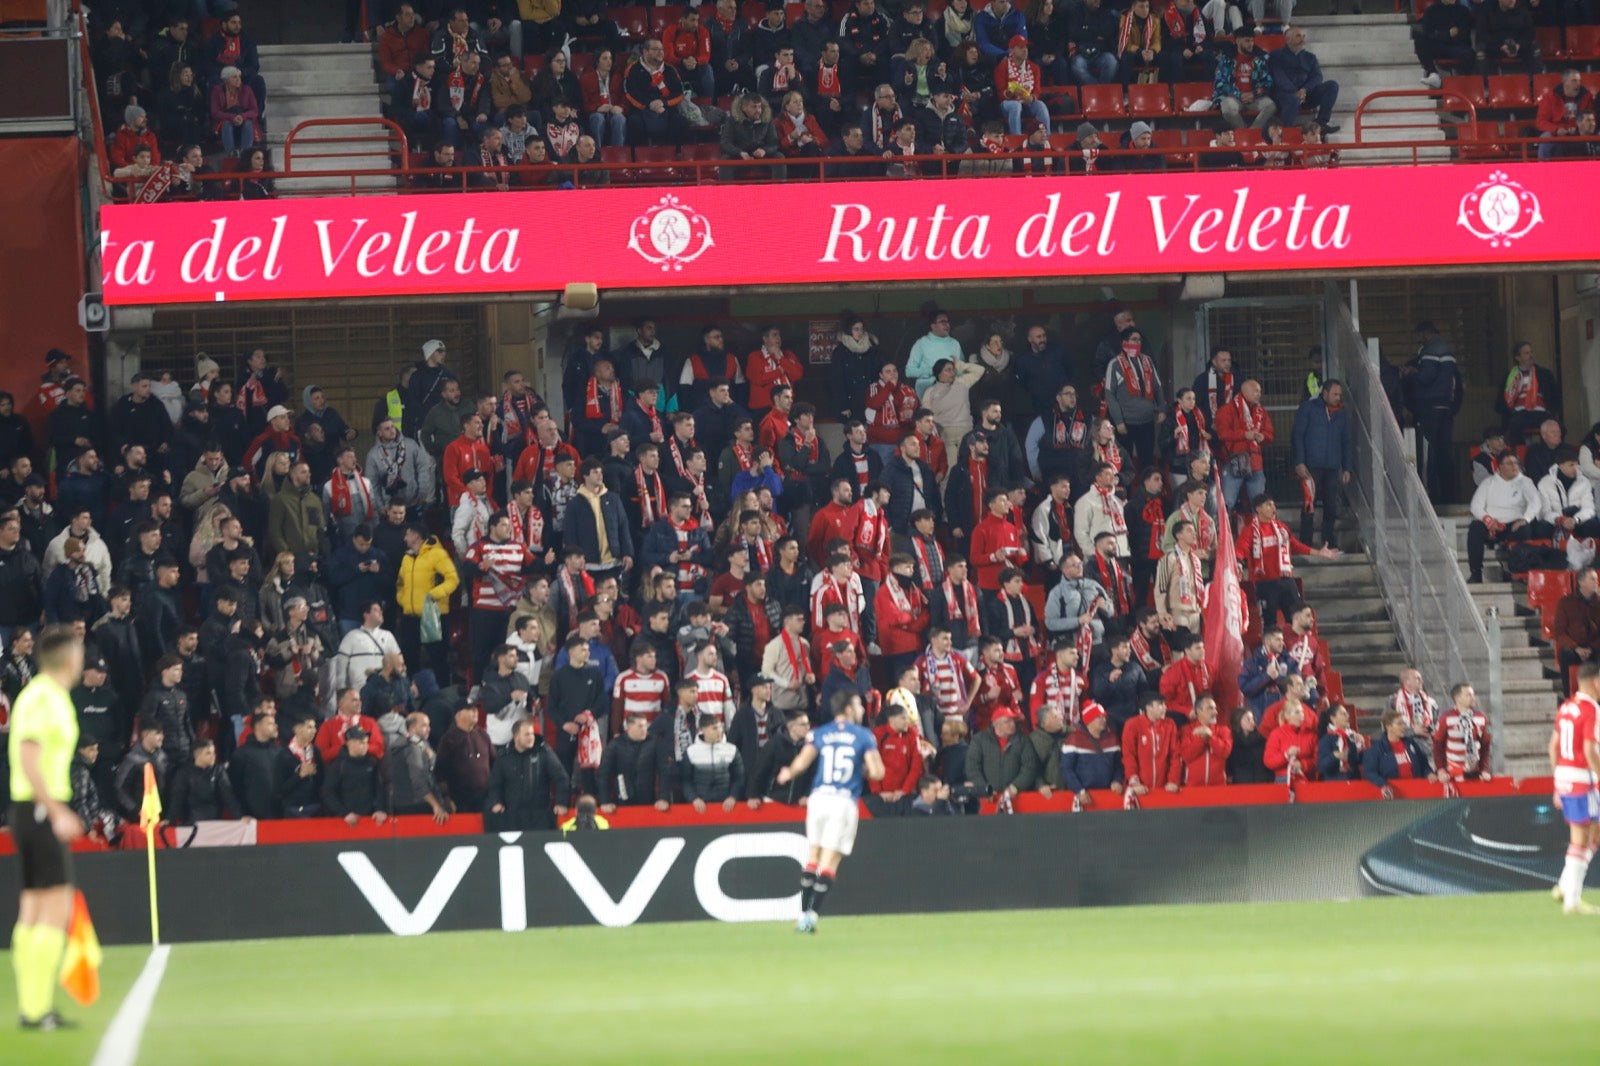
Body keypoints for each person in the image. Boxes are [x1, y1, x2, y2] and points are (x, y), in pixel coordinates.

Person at [7, 626, 86, 1030]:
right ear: (70, 658)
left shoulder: (48, 696)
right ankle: (36, 1009)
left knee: (35, 906)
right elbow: (28, 754)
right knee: (54, 905)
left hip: (30, 810)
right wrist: (55, 809)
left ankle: (33, 1006)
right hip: (39, 810)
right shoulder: (43, 697)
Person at [776, 690, 884, 933]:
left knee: (813, 856)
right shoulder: (863, 735)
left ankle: (802, 913)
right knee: (829, 861)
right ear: (847, 709)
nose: (862, 709)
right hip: (843, 801)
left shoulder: (820, 733)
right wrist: (864, 771)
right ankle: (810, 917)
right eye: (858, 705)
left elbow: (802, 763)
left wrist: (787, 774)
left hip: (818, 798)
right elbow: (878, 773)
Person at [1550, 662, 1600, 913]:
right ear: (1596, 682)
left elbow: (1553, 746)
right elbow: (1590, 749)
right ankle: (1572, 900)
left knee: (1594, 833)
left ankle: (1564, 885)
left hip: (1566, 777)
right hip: (1583, 779)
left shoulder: (1566, 707)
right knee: (1582, 839)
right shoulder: (1590, 709)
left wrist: (1557, 782)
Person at [1404, 322, 1464, 504]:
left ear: (1425, 334)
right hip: (1446, 410)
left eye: (1418, 336)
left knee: (1426, 454)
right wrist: (1453, 408)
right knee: (1444, 452)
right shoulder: (1448, 353)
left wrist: (1412, 373)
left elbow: (1426, 377)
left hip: (1429, 410)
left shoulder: (1431, 349)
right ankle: (1448, 496)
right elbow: (1457, 386)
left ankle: (1427, 497)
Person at [1291, 379, 1353, 550]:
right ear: (1324, 393)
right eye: (1334, 394)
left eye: (1339, 394)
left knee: (1331, 506)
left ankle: (1328, 542)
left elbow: (1346, 441)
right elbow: (1297, 436)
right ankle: (1306, 543)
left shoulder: (1341, 413)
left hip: (1333, 467)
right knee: (1309, 505)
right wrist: (1299, 462)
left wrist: (1346, 467)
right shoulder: (1308, 409)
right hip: (1311, 467)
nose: (1337, 397)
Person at [1464, 451, 1539, 584]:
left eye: (1516, 463)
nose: (1514, 466)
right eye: (1510, 463)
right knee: (1475, 528)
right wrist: (1488, 520)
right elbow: (1475, 505)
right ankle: (1476, 573)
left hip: (1513, 524)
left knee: (1525, 529)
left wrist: (1525, 518)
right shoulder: (1488, 482)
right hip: (1491, 524)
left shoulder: (1525, 482)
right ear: (1500, 467)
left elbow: (1536, 502)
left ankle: (1518, 573)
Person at [1267, 27, 1338, 134]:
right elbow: (1279, 78)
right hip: (1284, 95)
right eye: (1298, 36)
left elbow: (1317, 77)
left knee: (1332, 85)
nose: (1302, 39)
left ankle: (1321, 124)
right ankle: (1285, 133)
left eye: (1303, 36)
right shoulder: (1276, 55)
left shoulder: (1310, 57)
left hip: (1306, 95)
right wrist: (1295, 92)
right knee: (1292, 99)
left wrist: (1304, 90)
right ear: (1288, 40)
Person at [1362, 707, 1447, 795]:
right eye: (1399, 724)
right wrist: (1383, 784)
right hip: (1393, 793)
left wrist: (1429, 773)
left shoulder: (1411, 743)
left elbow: (1423, 763)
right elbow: (1369, 772)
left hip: (1416, 789)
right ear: (1389, 727)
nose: (1404, 727)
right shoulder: (1376, 749)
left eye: (1403, 723)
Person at [1496, 341, 1561, 440]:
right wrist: (1510, 411)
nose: (1531, 355)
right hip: (1520, 413)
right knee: (1513, 426)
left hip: (1541, 412)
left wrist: (1550, 410)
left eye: (1531, 352)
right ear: (1517, 358)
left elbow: (1555, 397)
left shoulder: (1545, 374)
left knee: (1558, 428)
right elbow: (1501, 402)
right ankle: (1519, 453)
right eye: (1526, 353)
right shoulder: (1509, 377)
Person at [1434, 682, 1492, 782]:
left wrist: (1484, 769)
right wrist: (1441, 770)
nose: (1473, 697)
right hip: (1452, 772)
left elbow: (1485, 746)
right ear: (1457, 698)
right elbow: (1437, 746)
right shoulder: (1446, 718)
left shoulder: (1482, 718)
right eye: (1468, 695)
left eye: (1473, 694)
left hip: (1474, 771)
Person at [1180, 696, 1232, 787]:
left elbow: (1224, 752)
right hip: (1193, 787)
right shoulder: (1187, 730)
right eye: (1210, 708)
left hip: (1219, 786)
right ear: (1199, 711)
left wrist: (1210, 736)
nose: (1215, 712)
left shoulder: (1224, 730)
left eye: (1215, 708)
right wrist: (1201, 739)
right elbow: (1186, 755)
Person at [1554, 569, 1600, 671]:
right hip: (1574, 648)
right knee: (1565, 654)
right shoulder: (1565, 602)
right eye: (1592, 579)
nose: (1596, 582)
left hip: (1595, 648)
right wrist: (1576, 648)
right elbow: (1559, 632)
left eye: (1596, 579)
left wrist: (1591, 648)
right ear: (1581, 582)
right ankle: (1567, 687)